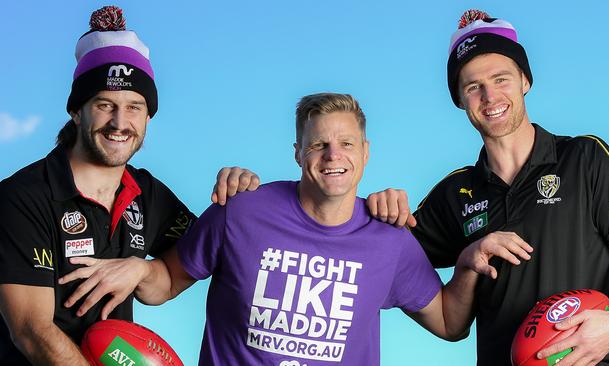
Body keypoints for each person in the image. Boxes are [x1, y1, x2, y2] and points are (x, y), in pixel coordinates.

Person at [60, 92, 533, 365]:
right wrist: (136, 269)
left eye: (346, 143)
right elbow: (163, 285)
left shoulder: (390, 238)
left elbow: (450, 324)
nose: (333, 156)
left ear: (366, 152)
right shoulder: (241, 210)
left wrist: (469, 264)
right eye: (318, 145)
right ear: (297, 153)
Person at [361, 9, 609, 366]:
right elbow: (388, 258)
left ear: (524, 81)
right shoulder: (455, 194)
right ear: (460, 100)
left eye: (501, 79)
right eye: (473, 87)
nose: (489, 96)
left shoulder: (585, 157)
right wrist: (376, 211)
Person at [0, 6, 213, 365]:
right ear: (76, 111)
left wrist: (142, 269)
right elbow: (31, 331)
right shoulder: (23, 197)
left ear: (148, 117)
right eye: (104, 104)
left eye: (134, 107)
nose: (120, 122)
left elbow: (187, 265)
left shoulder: (148, 195)